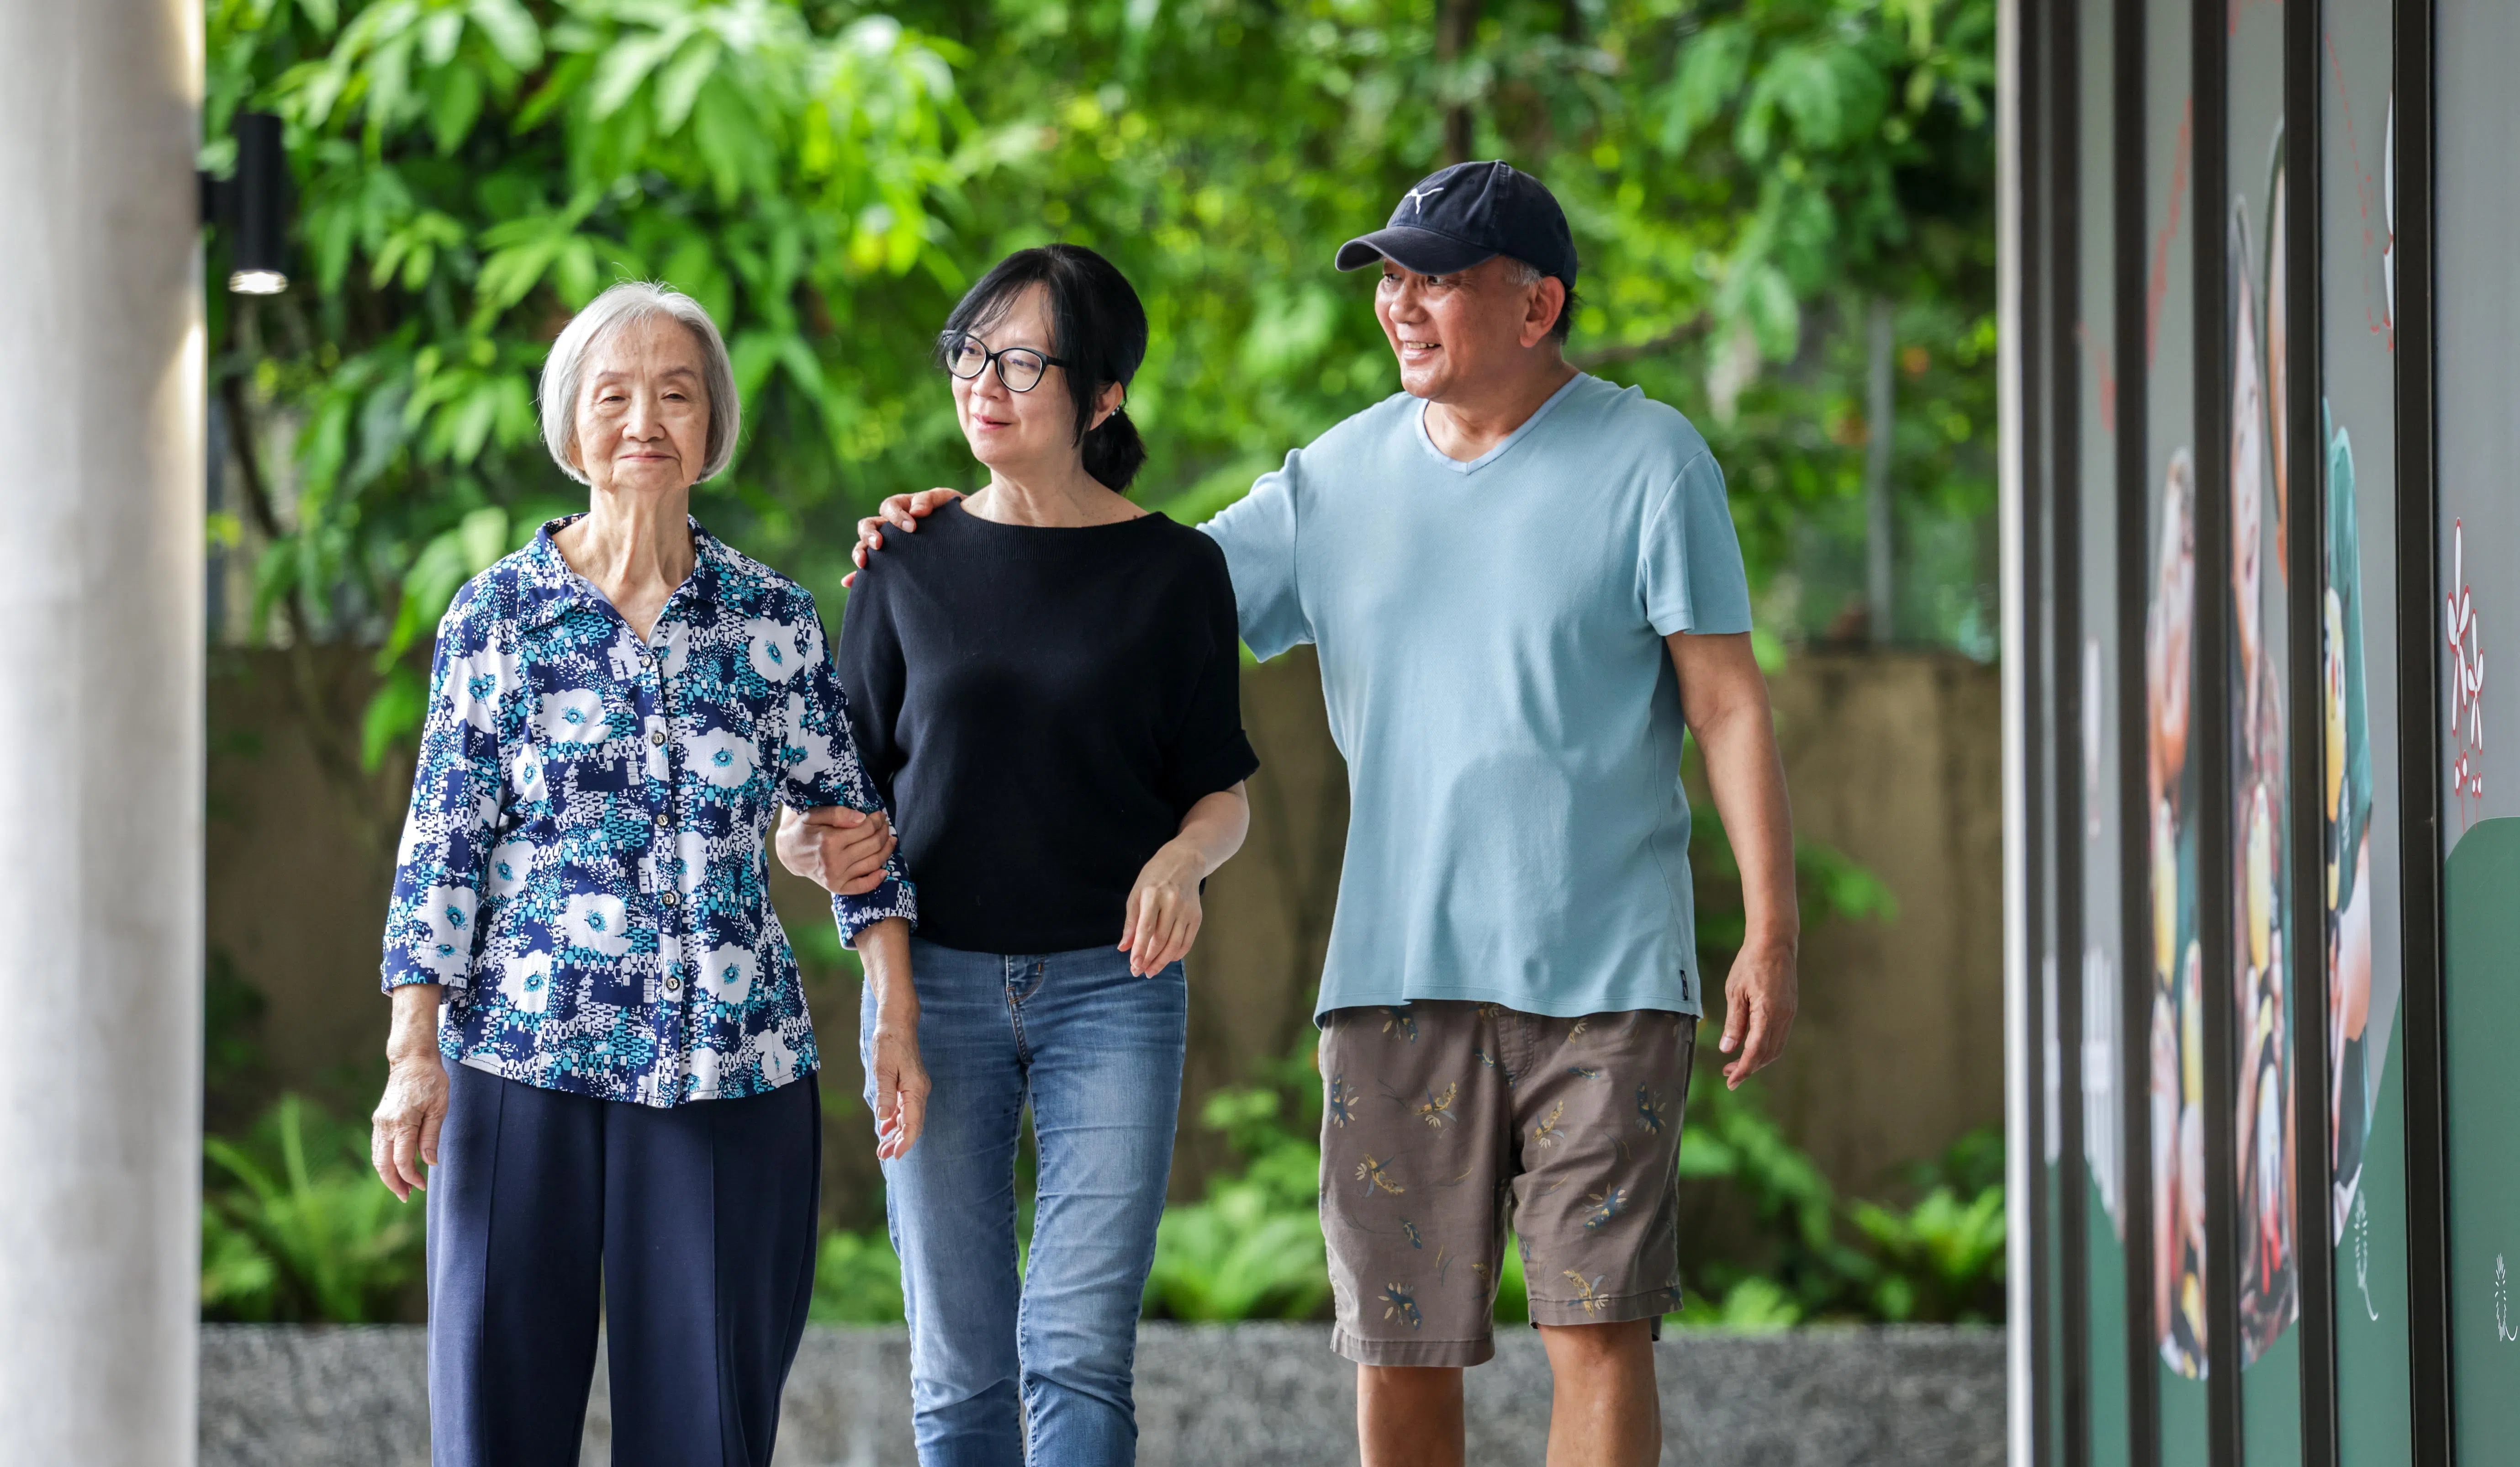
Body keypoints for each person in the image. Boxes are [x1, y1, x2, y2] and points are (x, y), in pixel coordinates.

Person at [828, 163, 1800, 1467]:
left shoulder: (1650, 459)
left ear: (1535, 306)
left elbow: (1727, 704)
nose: (1399, 304)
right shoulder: (1334, 478)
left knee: (1599, 1325)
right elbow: (1119, 587)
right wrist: (971, 531)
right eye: (1390, 277)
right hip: (1391, 977)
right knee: (1398, 1346)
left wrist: (1772, 930)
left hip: (1609, 973)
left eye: (1436, 280)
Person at [367, 281, 907, 1467]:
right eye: (613, 395)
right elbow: (442, 840)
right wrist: (413, 1056)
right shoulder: (496, 615)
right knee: (496, 1423)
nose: (644, 421)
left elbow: (854, 840)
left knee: (706, 1430)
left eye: (675, 393)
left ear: (711, 425)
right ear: (570, 430)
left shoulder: (769, 618)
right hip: (519, 1060)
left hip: (729, 1069)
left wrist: (891, 1019)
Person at [780, 244, 1257, 1466]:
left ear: (1101, 398)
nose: (983, 383)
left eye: (1025, 361)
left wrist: (1180, 862)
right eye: (969, 354)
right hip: (929, 987)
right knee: (958, 1373)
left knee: (1078, 1354)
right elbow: (831, 808)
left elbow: (1221, 793)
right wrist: (810, 849)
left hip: (1115, 990)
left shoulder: (1176, 571)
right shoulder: (901, 567)